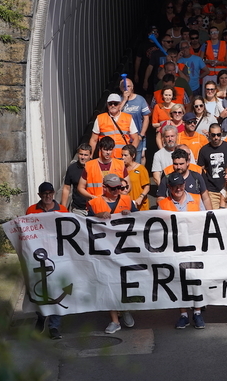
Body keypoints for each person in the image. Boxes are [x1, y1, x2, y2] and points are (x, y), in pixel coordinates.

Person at [86, 174, 137, 334]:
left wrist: (132, 214)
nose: (117, 191)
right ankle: (114, 320)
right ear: (105, 188)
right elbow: (86, 226)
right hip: (105, 251)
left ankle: (126, 309)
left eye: (119, 188)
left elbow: (141, 221)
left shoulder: (127, 200)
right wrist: (97, 216)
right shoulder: (94, 203)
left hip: (125, 250)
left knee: (125, 282)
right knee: (108, 283)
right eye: (113, 188)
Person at [158, 172, 207, 329]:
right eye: (174, 187)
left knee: (196, 280)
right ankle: (183, 314)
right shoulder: (163, 204)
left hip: (194, 247)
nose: (178, 189)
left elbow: (205, 221)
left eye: (180, 185)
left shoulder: (197, 199)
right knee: (179, 282)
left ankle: (197, 312)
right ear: (169, 187)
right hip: (175, 248)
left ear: (184, 185)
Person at [26, 181, 68, 339]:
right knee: (40, 289)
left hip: (58, 255)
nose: (47, 196)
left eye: (50, 193)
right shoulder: (31, 211)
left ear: (54, 194)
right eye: (44, 194)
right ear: (39, 195)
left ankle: (54, 326)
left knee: (57, 289)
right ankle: (41, 316)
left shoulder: (62, 210)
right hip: (38, 256)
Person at [198, 123, 227, 209]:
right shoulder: (204, 150)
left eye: (218, 134)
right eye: (213, 135)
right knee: (216, 215)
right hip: (212, 190)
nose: (216, 137)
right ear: (209, 134)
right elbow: (200, 169)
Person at [89, 93, 139, 160]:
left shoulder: (128, 118)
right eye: (110, 104)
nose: (113, 105)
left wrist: (130, 154)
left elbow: (136, 138)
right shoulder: (100, 118)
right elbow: (93, 140)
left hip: (122, 158)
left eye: (115, 103)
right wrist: (90, 156)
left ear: (120, 104)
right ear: (107, 105)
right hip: (105, 159)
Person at [77, 136, 127, 201]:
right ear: (100, 149)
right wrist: (91, 197)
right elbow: (80, 187)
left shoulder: (120, 164)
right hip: (95, 204)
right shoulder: (89, 165)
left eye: (110, 149)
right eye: (105, 149)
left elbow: (128, 186)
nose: (108, 152)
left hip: (115, 204)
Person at [120, 78, 151, 164]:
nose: (126, 89)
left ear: (132, 87)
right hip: (123, 138)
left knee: (137, 160)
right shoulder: (118, 100)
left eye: (128, 86)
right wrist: (124, 100)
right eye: (124, 87)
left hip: (137, 136)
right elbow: (114, 113)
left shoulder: (140, 99)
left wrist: (141, 134)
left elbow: (146, 118)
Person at [61, 143, 92, 215]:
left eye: (86, 155)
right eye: (81, 154)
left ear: (90, 155)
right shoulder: (72, 168)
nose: (83, 157)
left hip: (94, 208)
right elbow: (66, 188)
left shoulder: (96, 167)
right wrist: (63, 209)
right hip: (77, 209)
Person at [121, 144, 150, 210]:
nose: (123, 157)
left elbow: (147, 186)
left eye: (125, 155)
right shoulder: (121, 169)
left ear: (133, 155)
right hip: (126, 205)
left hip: (139, 205)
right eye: (122, 155)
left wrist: (141, 197)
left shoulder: (141, 169)